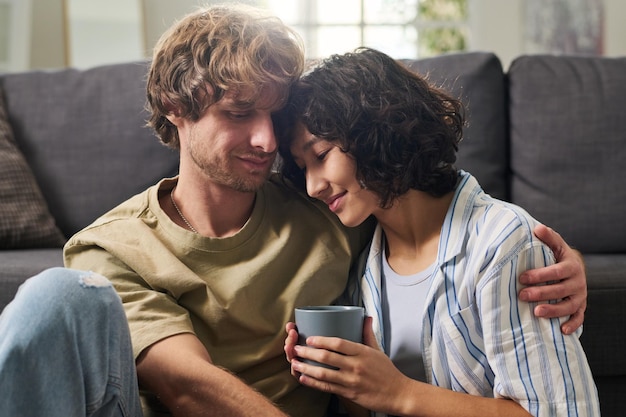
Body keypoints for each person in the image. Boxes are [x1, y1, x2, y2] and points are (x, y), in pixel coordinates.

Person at [0, 6, 586, 417]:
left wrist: (544, 262)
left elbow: (426, 214)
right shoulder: (110, 250)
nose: (264, 140)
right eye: (238, 113)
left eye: (273, 117)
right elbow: (186, 387)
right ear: (176, 109)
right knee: (58, 294)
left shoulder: (332, 213)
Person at [279, 48, 599, 416]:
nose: (312, 187)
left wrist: (399, 392)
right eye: (302, 168)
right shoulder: (358, 258)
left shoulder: (501, 245)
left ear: (373, 133)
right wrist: (343, 378)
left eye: (320, 156)